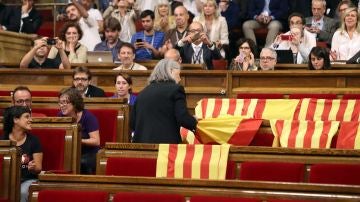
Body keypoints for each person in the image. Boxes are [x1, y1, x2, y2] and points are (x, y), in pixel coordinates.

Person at [131, 58, 197, 143]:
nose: (180, 79)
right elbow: (182, 118)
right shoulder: (176, 89)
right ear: (171, 71)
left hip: (141, 146)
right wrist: (195, 123)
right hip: (165, 147)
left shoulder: (143, 92)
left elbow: (132, 123)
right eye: (179, 74)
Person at [2, 106, 42, 202]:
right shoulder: (3, 141)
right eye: (27, 117)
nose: (31, 120)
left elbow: (38, 168)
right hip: (5, 181)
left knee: (23, 192)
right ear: (16, 119)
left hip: (27, 180)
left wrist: (33, 168)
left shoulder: (34, 140)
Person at [58, 88, 100, 174]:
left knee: (81, 163)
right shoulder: (60, 116)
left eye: (65, 102)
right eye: (60, 102)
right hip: (69, 151)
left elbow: (96, 141)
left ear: (75, 103)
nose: (62, 105)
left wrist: (78, 141)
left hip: (88, 153)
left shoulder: (88, 117)